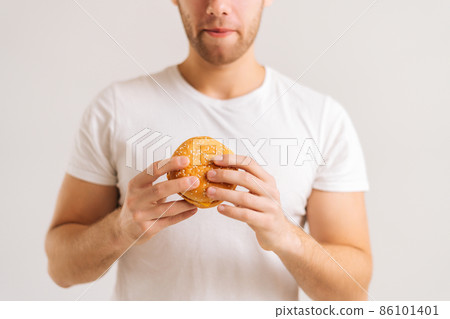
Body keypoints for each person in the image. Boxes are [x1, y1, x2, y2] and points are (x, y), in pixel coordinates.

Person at [45, 0, 372, 301]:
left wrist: (287, 237)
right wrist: (120, 229)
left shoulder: (322, 119)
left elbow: (353, 292)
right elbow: (61, 269)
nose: (217, 7)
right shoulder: (115, 109)